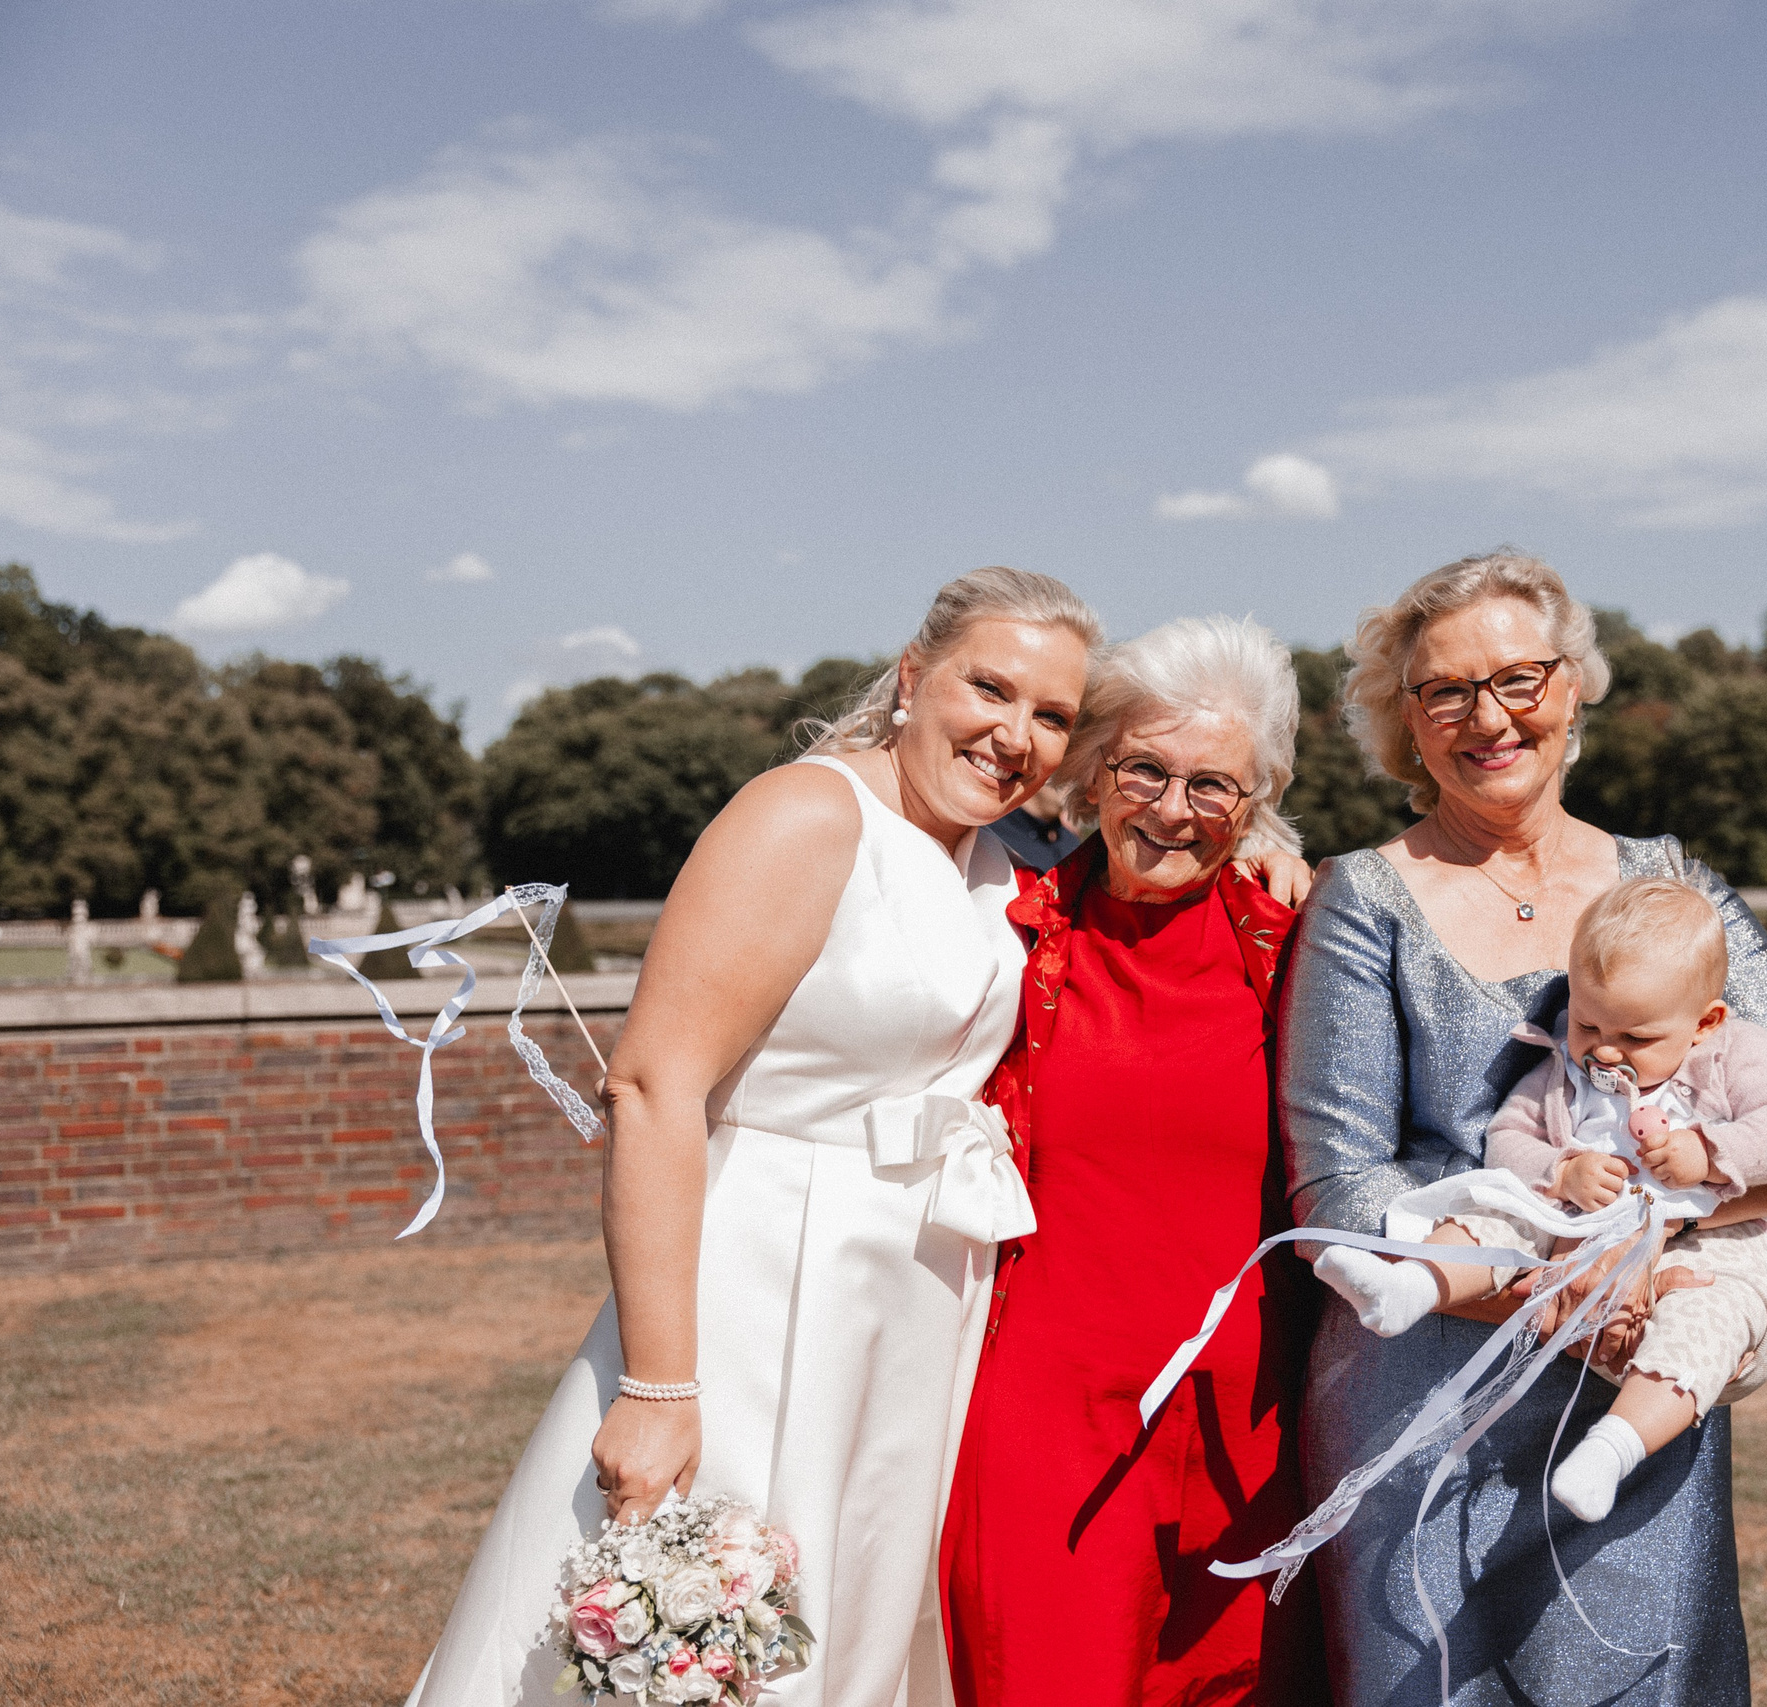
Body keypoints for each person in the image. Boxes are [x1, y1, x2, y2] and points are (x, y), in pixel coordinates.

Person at [404, 567, 1099, 1707]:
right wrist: (660, 1386)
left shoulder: (986, 856)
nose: (1015, 734)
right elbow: (653, 1084)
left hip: (912, 1310)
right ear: (914, 678)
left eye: (1053, 715)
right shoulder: (809, 812)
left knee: (846, 1627)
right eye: (991, 688)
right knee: (701, 1632)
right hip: (765, 1288)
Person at [1276, 551, 1767, 1706]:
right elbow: (1335, 1189)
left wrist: (1659, 1243)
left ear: (1573, 684)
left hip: (1637, 1407)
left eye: (1518, 678)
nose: (1486, 717)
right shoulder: (1361, 897)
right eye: (1444, 691)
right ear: (1404, 721)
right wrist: (1551, 1285)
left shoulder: (1667, 886)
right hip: (1426, 1410)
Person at [942, 616, 1329, 1707]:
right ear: (1091, 771)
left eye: (1214, 787)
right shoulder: (1008, 933)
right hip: (1047, 1422)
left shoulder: (1296, 941)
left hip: (1246, 1424)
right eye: (1143, 770)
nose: (1171, 810)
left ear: (1258, 802)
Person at [1308, 876, 1767, 1524]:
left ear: (1706, 1021)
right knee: (1494, 1211)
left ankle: (1613, 1447)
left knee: (1715, 1309)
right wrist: (1560, 1168)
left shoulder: (1736, 1053)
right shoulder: (1564, 1062)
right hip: (1574, 1225)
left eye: (1635, 1038)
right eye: (1588, 1022)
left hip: (1711, 1236)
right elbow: (1506, 1134)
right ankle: (1409, 1286)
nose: (1605, 1050)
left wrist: (1712, 1150)